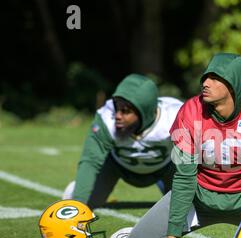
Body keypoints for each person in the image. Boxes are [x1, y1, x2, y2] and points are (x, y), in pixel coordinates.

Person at [121, 53, 241, 238]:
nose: (205, 83)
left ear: (234, 84)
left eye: (214, 78)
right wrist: (172, 236)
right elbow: (184, 176)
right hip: (199, 199)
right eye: (205, 77)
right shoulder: (189, 111)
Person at [63, 74, 183, 209]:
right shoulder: (106, 118)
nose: (118, 116)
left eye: (125, 111)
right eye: (116, 108)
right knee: (86, 202)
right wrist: (78, 203)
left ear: (145, 111)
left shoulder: (174, 116)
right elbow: (90, 161)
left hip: (165, 167)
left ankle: (168, 189)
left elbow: (192, 158)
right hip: (117, 165)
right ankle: (73, 191)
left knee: (187, 205)